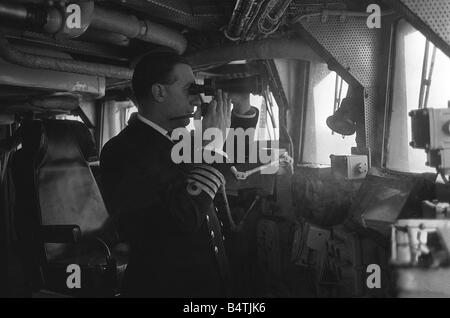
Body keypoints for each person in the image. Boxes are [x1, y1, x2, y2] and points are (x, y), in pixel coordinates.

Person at [100, 51, 259, 297]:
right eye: (188, 89)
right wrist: (213, 145)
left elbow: (232, 161)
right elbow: (182, 217)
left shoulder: (179, 141)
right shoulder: (121, 152)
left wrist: (241, 110)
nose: (195, 100)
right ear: (159, 92)